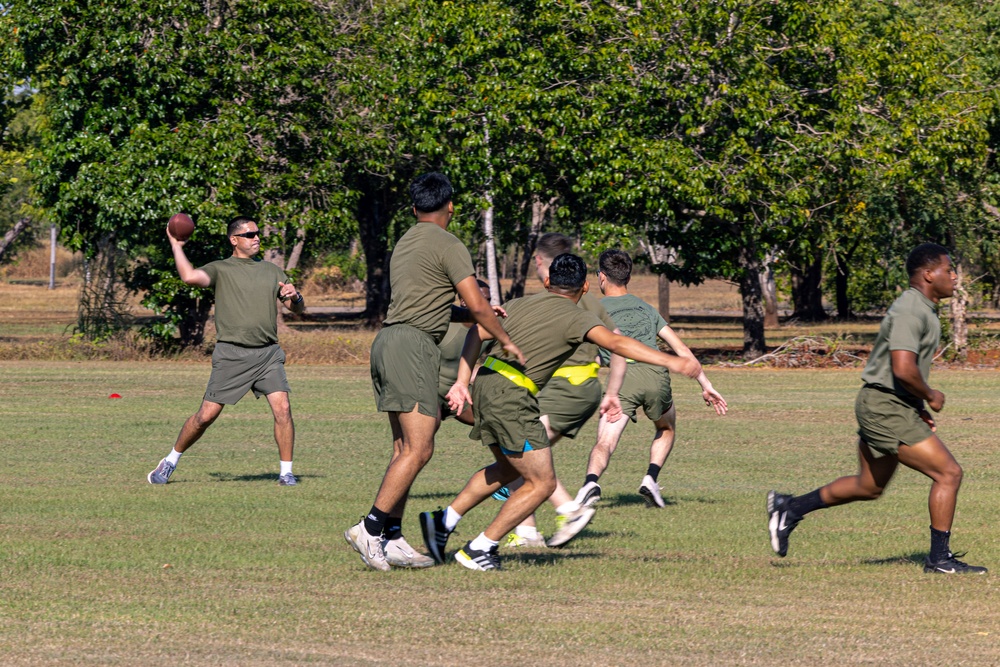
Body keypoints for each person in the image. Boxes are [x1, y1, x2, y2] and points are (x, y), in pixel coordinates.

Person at [420, 253, 702, 571]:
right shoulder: (577, 317)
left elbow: (476, 332)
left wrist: (462, 381)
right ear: (584, 287)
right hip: (512, 396)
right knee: (543, 483)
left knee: (509, 469)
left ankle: (442, 522)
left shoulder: (518, 304)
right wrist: (673, 361)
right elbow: (617, 344)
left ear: (547, 281)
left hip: (486, 384)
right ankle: (480, 548)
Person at [767, 243, 986, 575]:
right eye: (948, 269)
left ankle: (790, 507)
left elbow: (900, 371)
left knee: (869, 486)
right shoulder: (911, 310)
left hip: (891, 404)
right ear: (929, 274)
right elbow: (902, 368)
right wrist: (930, 395)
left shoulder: (923, 307)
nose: (954, 276)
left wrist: (917, 407)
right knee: (948, 473)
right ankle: (939, 560)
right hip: (885, 407)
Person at [344, 172, 524, 572]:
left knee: (404, 449)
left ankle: (391, 539)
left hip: (389, 341)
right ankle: (369, 528)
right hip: (413, 347)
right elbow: (475, 304)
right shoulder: (450, 244)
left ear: (413, 209)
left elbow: (434, 303)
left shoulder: (407, 241)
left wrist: (472, 312)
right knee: (420, 449)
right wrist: (505, 338)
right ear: (451, 206)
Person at [569, 250, 727, 525]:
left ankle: (590, 484)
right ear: (628, 277)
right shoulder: (646, 308)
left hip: (622, 380)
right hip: (656, 376)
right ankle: (650, 478)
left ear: (602, 277)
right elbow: (681, 349)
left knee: (605, 442)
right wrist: (705, 384)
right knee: (666, 427)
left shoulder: (593, 308)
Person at [147, 216, 305, 486]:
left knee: (283, 409)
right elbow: (188, 277)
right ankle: (170, 461)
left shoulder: (272, 271)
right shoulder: (221, 269)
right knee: (205, 417)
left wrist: (295, 296)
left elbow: (296, 309)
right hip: (232, 355)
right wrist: (176, 245)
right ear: (234, 240)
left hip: (268, 354)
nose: (256, 238)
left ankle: (286, 473)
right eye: (249, 234)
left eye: (257, 234)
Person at [498, 233, 626, 549]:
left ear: (540, 261)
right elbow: (620, 344)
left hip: (564, 390)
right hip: (582, 390)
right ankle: (528, 531)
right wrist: (612, 392)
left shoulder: (541, 301)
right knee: (515, 456)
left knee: (519, 453)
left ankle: (568, 510)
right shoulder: (587, 299)